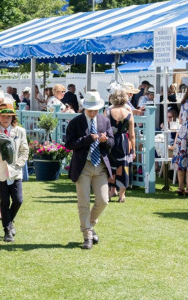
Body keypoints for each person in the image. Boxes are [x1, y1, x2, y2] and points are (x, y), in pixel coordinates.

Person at [64, 91, 114, 250]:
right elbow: (69, 144)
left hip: (100, 166)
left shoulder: (104, 121)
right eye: (90, 110)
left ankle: (90, 227)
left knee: (103, 200)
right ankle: (87, 236)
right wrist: (87, 139)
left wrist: (105, 140)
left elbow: (112, 143)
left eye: (96, 110)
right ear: (84, 108)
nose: (93, 113)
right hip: (82, 166)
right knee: (83, 202)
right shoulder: (76, 122)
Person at [0, 102, 29, 242]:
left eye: (9, 116)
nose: (6, 119)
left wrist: (19, 164)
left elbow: (24, 150)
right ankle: (7, 230)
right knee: (4, 201)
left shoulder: (20, 131)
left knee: (18, 200)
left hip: (15, 172)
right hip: (1, 172)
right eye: (3, 116)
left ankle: (9, 221)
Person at [106, 90, 135, 203]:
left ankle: (109, 192)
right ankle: (122, 195)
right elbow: (132, 134)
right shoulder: (129, 112)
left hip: (111, 140)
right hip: (124, 141)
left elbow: (104, 127)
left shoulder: (108, 111)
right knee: (124, 166)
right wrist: (133, 149)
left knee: (110, 166)